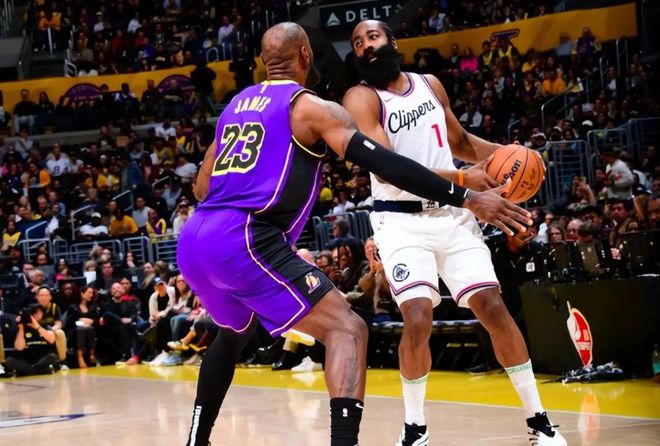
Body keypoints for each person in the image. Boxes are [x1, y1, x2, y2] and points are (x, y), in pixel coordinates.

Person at [177, 22, 530, 446]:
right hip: (246, 237)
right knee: (348, 329)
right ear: (306, 55)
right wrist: (467, 196)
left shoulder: (236, 106)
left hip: (194, 239)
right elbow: (386, 165)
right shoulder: (311, 107)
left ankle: (196, 440)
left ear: (264, 62)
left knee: (234, 333)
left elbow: (202, 187)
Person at [342, 20, 565, 446]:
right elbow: (389, 169)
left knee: (493, 307)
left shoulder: (429, 84)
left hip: (453, 214)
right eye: (358, 43)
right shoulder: (361, 98)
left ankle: (539, 420)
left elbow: (460, 141)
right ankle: (415, 427)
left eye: (373, 37)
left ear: (392, 41)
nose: (366, 46)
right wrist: (465, 180)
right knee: (418, 316)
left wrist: (513, 157)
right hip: (400, 220)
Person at [5, 303, 59, 376]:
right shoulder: (20, 328)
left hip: (42, 358)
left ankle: (29, 371)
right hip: (25, 359)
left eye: (40, 312)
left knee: (52, 357)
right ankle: (38, 370)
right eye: (35, 312)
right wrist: (21, 328)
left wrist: (36, 326)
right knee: (9, 361)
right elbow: (19, 348)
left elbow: (52, 340)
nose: (37, 314)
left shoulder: (46, 327)